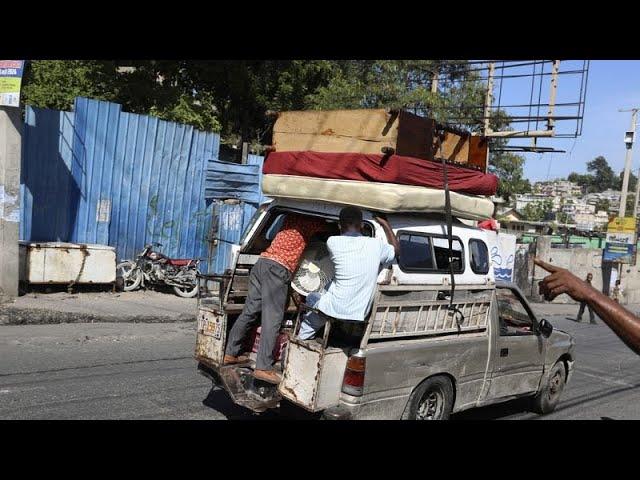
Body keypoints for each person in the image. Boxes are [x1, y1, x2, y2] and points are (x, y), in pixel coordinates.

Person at [224, 213, 326, 384]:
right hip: (279, 268)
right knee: (273, 319)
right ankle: (263, 367)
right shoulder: (313, 220)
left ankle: (230, 353)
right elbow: (329, 234)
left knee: (250, 311)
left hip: (262, 262)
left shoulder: (289, 217)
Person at [298, 207, 399, 340]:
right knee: (328, 289)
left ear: (339, 225)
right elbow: (396, 251)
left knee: (312, 297)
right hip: (360, 312)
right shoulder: (376, 245)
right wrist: (385, 224)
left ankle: (302, 337)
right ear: (362, 225)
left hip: (335, 307)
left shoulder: (332, 242)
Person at [535, 258, 640, 356]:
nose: (590, 278)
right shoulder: (586, 282)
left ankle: (588, 318)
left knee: (588, 310)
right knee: (583, 309)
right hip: (584, 300)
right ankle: (581, 317)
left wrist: (589, 293)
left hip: (587, 298)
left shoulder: (588, 284)